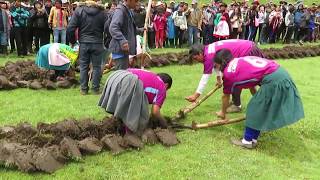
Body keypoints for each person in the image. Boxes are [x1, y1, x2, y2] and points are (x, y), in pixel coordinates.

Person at [213, 49, 304, 149]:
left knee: (254, 108)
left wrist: (223, 112)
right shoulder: (239, 60)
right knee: (257, 107)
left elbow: (225, 96)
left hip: (274, 79)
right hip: (280, 73)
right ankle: (253, 139)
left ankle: (247, 141)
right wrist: (260, 101)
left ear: (222, 62)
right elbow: (252, 82)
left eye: (216, 65)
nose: (216, 68)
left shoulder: (228, 73)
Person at [186, 39, 265, 113]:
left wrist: (196, 95)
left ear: (200, 53)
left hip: (247, 50)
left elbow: (205, 78)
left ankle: (237, 105)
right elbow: (216, 63)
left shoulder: (208, 56)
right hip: (249, 46)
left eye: (196, 58)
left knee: (236, 78)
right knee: (250, 80)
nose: (197, 61)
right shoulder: (208, 49)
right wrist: (219, 78)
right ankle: (260, 102)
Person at [98, 69, 172, 135]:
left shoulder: (151, 76)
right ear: (166, 85)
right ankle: (130, 134)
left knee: (128, 106)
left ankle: (120, 127)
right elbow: (155, 112)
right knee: (140, 113)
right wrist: (164, 124)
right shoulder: (162, 87)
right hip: (129, 80)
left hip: (116, 76)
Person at [67, 0, 106, 95]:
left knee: (83, 66)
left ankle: (84, 89)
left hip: (84, 42)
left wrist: (72, 41)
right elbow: (108, 28)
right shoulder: (102, 12)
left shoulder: (79, 10)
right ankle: (95, 89)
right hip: (97, 42)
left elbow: (70, 28)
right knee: (97, 66)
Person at [109, 0, 139, 70]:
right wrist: (122, 41)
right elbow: (113, 28)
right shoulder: (120, 10)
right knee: (121, 74)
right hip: (119, 49)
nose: (137, 3)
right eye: (136, 1)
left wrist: (142, 29)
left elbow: (129, 29)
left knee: (123, 72)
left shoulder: (128, 11)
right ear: (128, 0)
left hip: (124, 50)